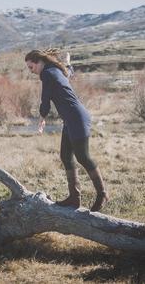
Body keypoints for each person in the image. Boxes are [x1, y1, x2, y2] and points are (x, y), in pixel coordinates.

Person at [25, 49, 109, 212]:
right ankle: (74, 198)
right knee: (65, 156)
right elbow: (68, 72)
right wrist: (68, 63)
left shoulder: (47, 73)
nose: (32, 71)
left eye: (31, 67)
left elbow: (46, 98)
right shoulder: (56, 70)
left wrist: (42, 116)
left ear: (38, 62)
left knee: (83, 157)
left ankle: (102, 194)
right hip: (70, 119)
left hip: (77, 118)